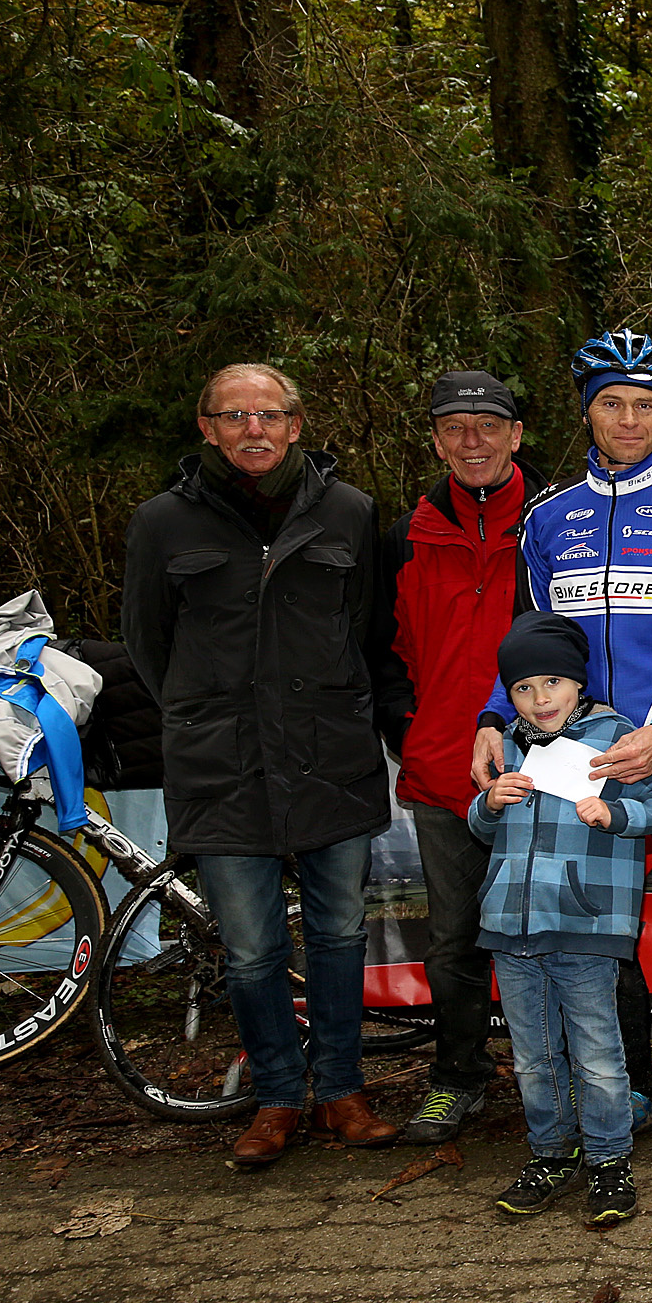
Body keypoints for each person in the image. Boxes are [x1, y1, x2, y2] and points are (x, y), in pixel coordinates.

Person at [469, 331, 652, 1161]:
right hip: (577, 766)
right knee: (608, 941)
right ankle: (634, 1087)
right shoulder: (545, 516)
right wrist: (492, 717)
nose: (628, 419)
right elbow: (524, 645)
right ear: (587, 412)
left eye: (644, 404)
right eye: (611, 403)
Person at [122, 362, 399, 1165]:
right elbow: (148, 642)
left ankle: (342, 1089)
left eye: (269, 414)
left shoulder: (350, 512)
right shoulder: (162, 522)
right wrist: (207, 711)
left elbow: (367, 631)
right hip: (223, 766)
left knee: (339, 934)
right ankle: (277, 1096)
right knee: (249, 950)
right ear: (207, 427)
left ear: (295, 424)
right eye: (235, 415)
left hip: (329, 758)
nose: (254, 429)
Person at [470, 612, 652, 1224]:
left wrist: (618, 815)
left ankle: (609, 1160)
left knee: (596, 1052)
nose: (540, 699)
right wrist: (488, 805)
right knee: (533, 1055)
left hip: (586, 923)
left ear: (578, 682)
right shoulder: (505, 743)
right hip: (511, 927)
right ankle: (551, 1152)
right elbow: (481, 827)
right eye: (523, 688)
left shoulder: (618, 736)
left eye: (553, 683)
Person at [372, 369, 545, 1146]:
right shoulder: (403, 535)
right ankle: (458, 1076)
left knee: (562, 934)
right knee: (455, 940)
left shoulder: (555, 519)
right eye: (455, 427)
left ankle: (574, 1078)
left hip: (545, 767)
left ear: (516, 434)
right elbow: (380, 651)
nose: (472, 441)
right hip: (444, 769)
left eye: (488, 425)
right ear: (437, 440)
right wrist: (409, 728)